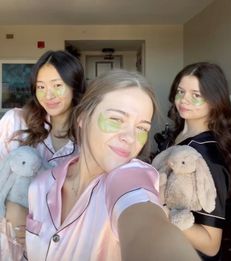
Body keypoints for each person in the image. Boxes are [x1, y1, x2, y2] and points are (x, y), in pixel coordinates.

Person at [25, 69, 200, 261]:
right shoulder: (40, 186)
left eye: (142, 128)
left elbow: (146, 226)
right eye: (116, 119)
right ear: (82, 117)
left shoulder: (132, 177)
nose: (131, 138)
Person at [0, 50, 86, 260]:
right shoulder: (15, 122)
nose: (48, 95)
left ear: (74, 85)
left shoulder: (87, 136)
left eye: (57, 85)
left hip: (59, 247)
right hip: (10, 245)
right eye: (41, 87)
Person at [164, 62, 231, 260]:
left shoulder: (206, 153)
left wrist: (163, 214)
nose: (184, 100)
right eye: (180, 91)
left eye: (196, 95)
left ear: (214, 100)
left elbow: (211, 244)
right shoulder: (178, 135)